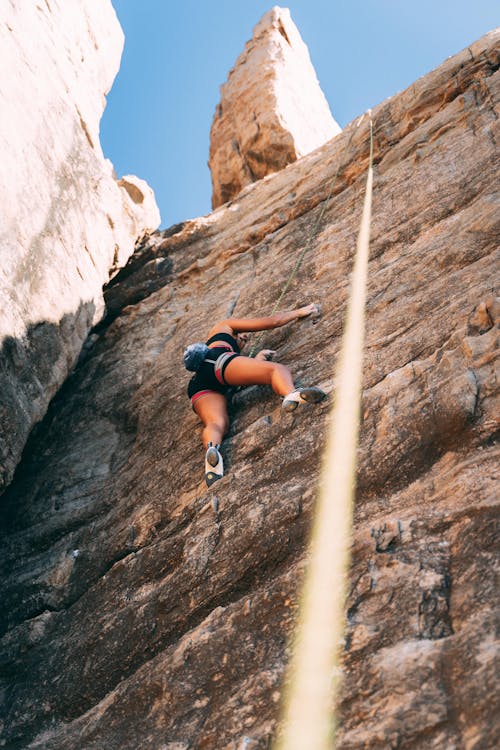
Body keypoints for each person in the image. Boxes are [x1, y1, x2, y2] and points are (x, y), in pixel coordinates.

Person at [186, 303, 325, 486]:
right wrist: (299, 312)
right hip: (218, 364)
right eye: (243, 335)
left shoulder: (218, 353)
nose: (245, 339)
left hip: (198, 387)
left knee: (216, 423)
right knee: (276, 370)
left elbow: (236, 378)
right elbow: (273, 321)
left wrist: (256, 360)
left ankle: (212, 451)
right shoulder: (223, 328)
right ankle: (290, 394)